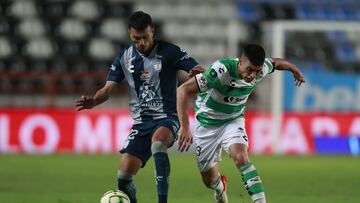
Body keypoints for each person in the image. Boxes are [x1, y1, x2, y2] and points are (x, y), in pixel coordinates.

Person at [75, 11, 204, 203]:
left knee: (159, 142)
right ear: (129, 34)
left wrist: (196, 72)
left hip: (167, 117)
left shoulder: (170, 52)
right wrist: (94, 101)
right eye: (136, 39)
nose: (141, 43)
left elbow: (196, 70)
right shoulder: (124, 58)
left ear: (152, 31)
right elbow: (108, 89)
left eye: (144, 38)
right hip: (141, 122)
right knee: (124, 177)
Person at [176, 44, 305, 203]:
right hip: (207, 125)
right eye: (249, 70)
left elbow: (276, 63)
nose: (252, 75)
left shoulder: (260, 69)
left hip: (233, 120)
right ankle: (220, 187)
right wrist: (185, 126)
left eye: (257, 71)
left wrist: (294, 69)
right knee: (209, 181)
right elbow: (182, 90)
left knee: (241, 158)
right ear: (240, 62)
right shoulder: (220, 71)